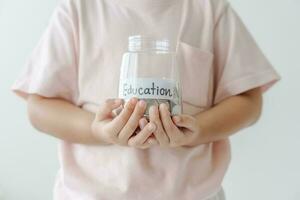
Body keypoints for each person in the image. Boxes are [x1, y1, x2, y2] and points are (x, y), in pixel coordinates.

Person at [11, 0, 281, 199]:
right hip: (88, 193)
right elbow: (40, 107)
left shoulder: (210, 10)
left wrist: (197, 130)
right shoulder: (78, 10)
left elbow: (248, 101)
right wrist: (97, 130)